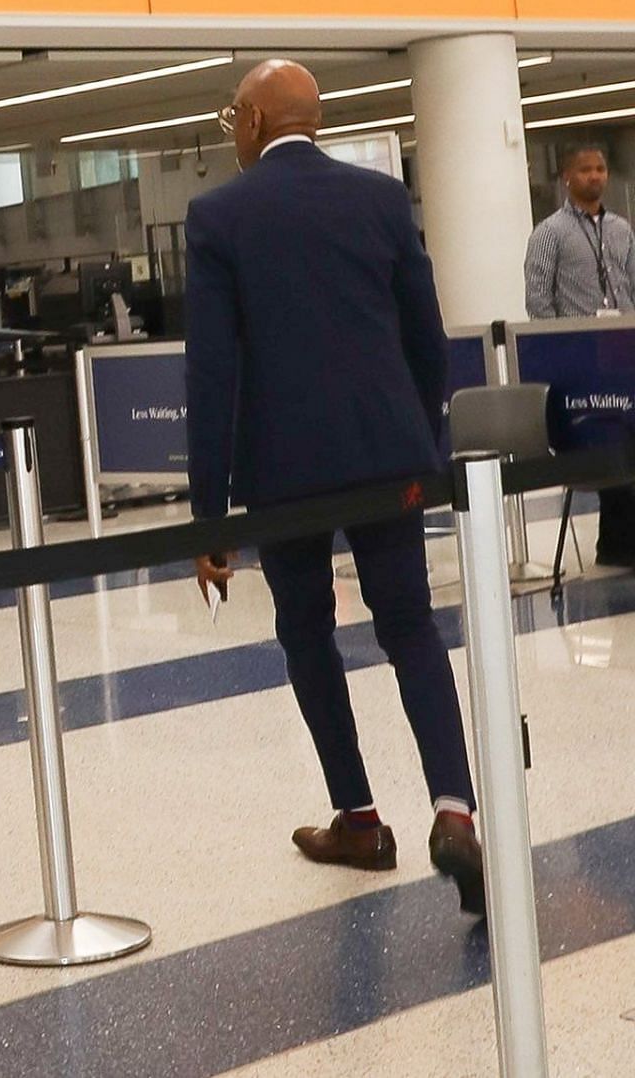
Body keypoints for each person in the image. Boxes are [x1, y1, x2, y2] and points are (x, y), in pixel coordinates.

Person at [187, 60, 484, 916]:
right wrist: (419, 442)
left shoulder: (220, 217)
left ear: (250, 120)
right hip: (387, 455)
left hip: (284, 474)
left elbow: (213, 375)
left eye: (229, 119)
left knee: (308, 633)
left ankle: (358, 819)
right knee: (410, 629)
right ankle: (454, 809)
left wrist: (210, 519)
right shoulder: (382, 200)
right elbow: (427, 339)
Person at [523, 144, 635, 565]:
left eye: (601, 168)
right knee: (604, 443)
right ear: (567, 177)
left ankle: (620, 538)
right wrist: (558, 349)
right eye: (586, 170)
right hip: (582, 357)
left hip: (623, 353)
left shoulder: (622, 229)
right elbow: (538, 299)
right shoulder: (549, 232)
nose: (595, 176)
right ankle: (618, 544)